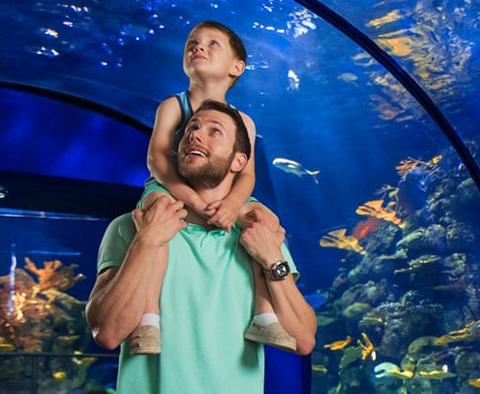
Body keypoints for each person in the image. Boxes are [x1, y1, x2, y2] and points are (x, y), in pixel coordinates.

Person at [87, 101, 317, 392]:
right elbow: (107, 333)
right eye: (191, 130)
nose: (195, 135)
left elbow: (304, 340)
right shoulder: (128, 227)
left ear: (239, 162)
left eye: (214, 131)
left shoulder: (261, 234)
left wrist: (273, 258)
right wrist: (147, 241)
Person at [128, 20, 293, 355]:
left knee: (267, 221)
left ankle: (264, 315)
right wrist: (187, 198)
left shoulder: (244, 121)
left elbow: (246, 176)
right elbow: (158, 161)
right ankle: (148, 320)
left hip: (223, 196)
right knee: (157, 218)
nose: (198, 47)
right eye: (192, 42)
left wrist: (233, 204)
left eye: (211, 43)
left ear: (237, 67)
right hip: (168, 188)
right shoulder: (173, 106)